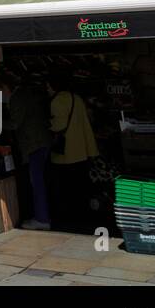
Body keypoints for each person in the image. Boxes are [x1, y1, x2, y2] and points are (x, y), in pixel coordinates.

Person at [0, 71, 52, 230]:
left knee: (37, 182)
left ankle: (42, 219)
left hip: (35, 144)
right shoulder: (22, 95)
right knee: (38, 181)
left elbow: (15, 124)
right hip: (39, 143)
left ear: (5, 87)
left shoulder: (17, 98)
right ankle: (42, 216)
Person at [48, 71, 98, 233]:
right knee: (80, 187)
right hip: (81, 151)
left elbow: (57, 126)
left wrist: (47, 126)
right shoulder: (77, 99)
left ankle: (67, 219)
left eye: (48, 85)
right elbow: (86, 124)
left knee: (64, 189)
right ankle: (83, 216)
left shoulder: (57, 101)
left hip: (64, 153)